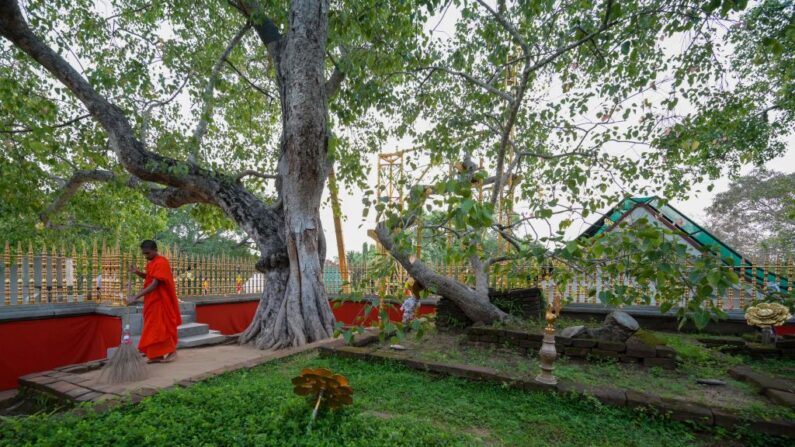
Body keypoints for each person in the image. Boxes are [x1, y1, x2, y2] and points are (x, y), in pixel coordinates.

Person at [128, 240, 182, 363]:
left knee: (163, 327)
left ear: (154, 250)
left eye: (147, 253)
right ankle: (157, 354)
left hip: (161, 302)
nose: (145, 256)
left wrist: (135, 297)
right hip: (152, 301)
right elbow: (149, 277)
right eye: (144, 254)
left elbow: (155, 284)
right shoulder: (152, 263)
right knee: (153, 328)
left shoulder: (162, 262)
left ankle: (172, 352)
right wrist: (137, 272)